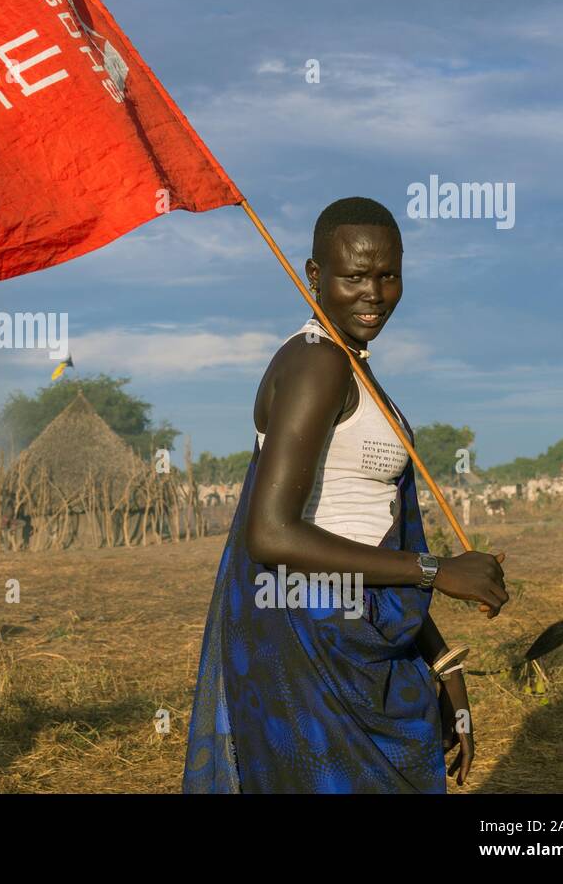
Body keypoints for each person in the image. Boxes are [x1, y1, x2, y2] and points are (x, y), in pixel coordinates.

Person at [183, 196, 508, 794]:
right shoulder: (318, 365)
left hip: (356, 634)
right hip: (312, 642)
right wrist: (436, 571)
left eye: (388, 275)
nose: (374, 294)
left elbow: (362, 531)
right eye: (354, 276)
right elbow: (271, 534)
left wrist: (441, 664)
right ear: (314, 276)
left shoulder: (353, 366)